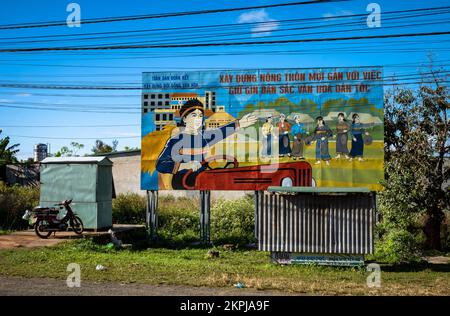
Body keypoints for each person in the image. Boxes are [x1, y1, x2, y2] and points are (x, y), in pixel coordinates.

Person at [156, 99, 257, 189]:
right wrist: (184, 165)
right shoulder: (175, 140)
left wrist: (240, 123)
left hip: (203, 176)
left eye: (200, 116)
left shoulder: (204, 136)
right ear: (185, 119)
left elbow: (222, 132)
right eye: (194, 115)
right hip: (182, 179)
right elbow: (160, 165)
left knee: (223, 175)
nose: (198, 119)